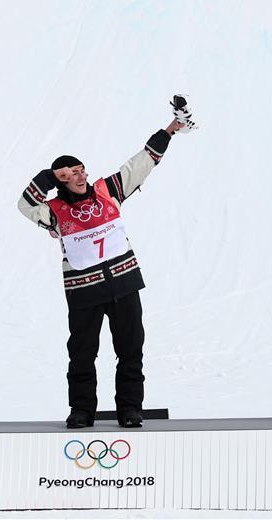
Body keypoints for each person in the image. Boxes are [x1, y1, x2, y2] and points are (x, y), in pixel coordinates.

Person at [18, 97, 191, 429]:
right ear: (60, 181)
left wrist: (171, 128)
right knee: (82, 354)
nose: (79, 177)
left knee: (131, 350)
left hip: (124, 283)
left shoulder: (107, 190)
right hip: (84, 291)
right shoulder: (54, 211)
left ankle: (130, 408)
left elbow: (141, 162)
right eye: (70, 174)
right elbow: (25, 205)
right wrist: (47, 177)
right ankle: (82, 410)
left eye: (81, 170)